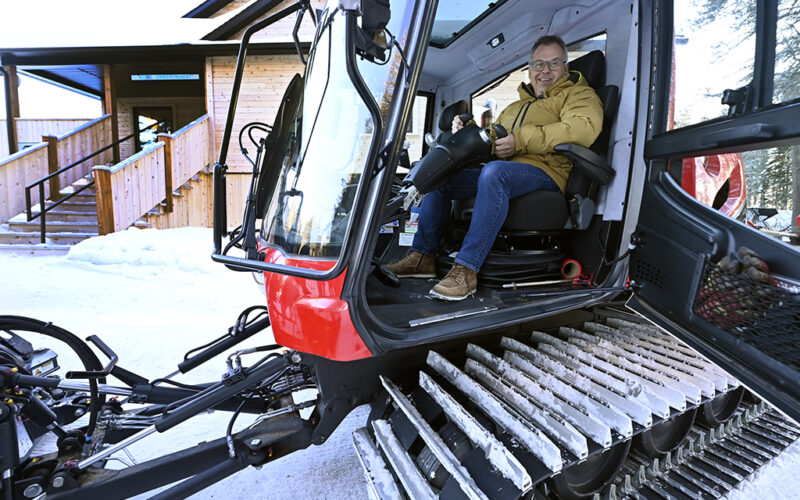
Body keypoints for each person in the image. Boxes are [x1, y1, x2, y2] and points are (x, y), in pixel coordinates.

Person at [387, 35, 603, 300]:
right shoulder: (515, 107)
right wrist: (469, 132)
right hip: (506, 169)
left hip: (547, 173)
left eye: (554, 63)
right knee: (439, 175)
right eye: (539, 64)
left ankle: (466, 269)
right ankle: (423, 256)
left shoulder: (579, 94)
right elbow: (494, 138)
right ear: (530, 69)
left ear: (566, 67)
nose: (545, 71)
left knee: (495, 173)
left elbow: (581, 129)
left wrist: (519, 140)